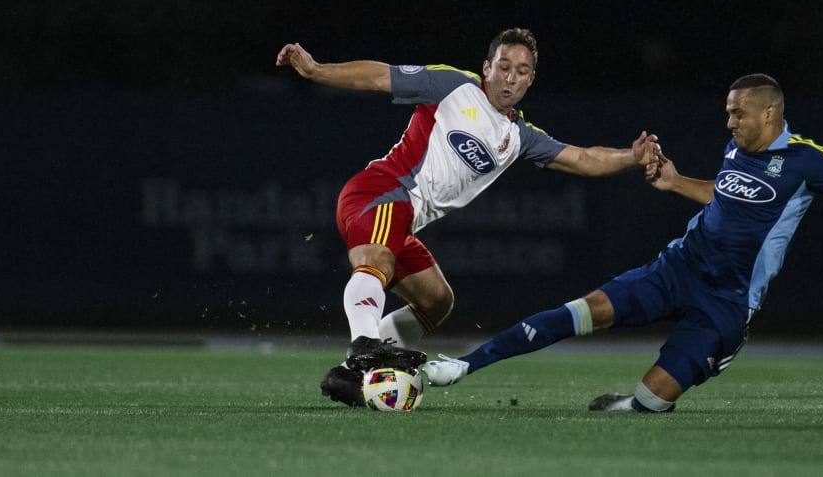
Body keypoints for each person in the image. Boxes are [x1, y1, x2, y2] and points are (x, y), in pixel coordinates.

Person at [422, 74, 823, 412]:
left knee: (649, 402)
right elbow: (725, 197)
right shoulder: (737, 147)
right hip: (679, 267)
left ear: (770, 112)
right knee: (583, 310)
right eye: (727, 113)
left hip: (728, 300)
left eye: (738, 114)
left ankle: (648, 398)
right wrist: (675, 182)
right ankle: (463, 366)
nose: (729, 122)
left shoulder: (808, 160)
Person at [276, 28, 661, 406]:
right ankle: (363, 347)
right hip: (381, 192)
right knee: (376, 261)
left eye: (521, 71)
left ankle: (350, 373)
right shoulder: (454, 86)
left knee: (436, 301)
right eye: (503, 66)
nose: (510, 78)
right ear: (486, 67)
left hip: (403, 219)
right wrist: (316, 71)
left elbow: (582, 158)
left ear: (531, 79)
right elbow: (380, 75)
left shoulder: (519, 135)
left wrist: (632, 157)